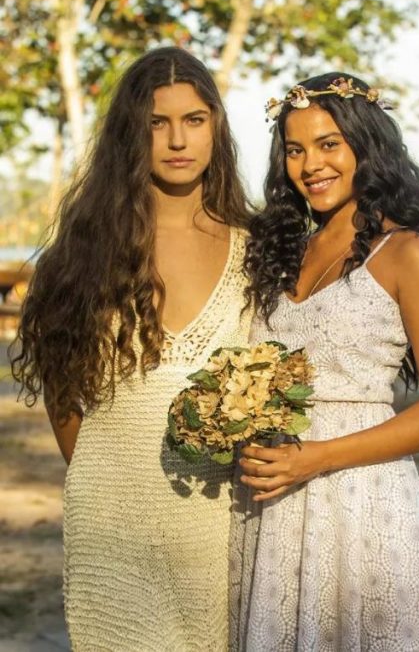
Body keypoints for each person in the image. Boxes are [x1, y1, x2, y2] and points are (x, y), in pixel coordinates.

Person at [11, 47, 253, 649]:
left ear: (215, 128)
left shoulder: (257, 252)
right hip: (113, 523)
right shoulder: (81, 256)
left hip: (224, 527)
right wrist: (116, 479)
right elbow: (65, 402)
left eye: (194, 119)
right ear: (130, 132)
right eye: (156, 122)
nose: (177, 139)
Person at [233, 73, 419, 650]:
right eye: (295, 149)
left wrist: (316, 458)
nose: (310, 164)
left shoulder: (409, 254)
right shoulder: (280, 250)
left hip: (361, 496)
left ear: (367, 146)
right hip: (270, 506)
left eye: (328, 143)